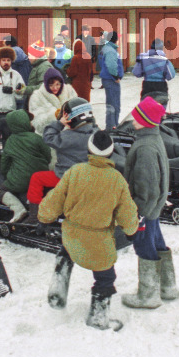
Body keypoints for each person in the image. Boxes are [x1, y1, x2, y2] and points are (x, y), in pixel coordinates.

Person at [39, 130, 139, 330]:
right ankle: (98, 316)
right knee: (105, 278)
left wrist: (44, 218)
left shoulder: (75, 171)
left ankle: (58, 287)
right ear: (111, 153)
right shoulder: (117, 180)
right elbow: (127, 213)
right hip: (98, 243)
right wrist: (131, 231)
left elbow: (55, 199)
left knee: (65, 253)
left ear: (89, 150)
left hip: (72, 235)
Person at [120, 96, 179, 310]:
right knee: (156, 242)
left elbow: (147, 186)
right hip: (154, 207)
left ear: (145, 120)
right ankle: (167, 286)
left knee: (144, 246)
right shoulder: (153, 138)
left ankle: (148, 295)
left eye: (136, 116)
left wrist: (138, 213)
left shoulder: (144, 147)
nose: (132, 119)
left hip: (145, 208)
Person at [27, 98, 98, 222]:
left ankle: (35, 214)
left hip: (66, 176)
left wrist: (59, 123)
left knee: (36, 178)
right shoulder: (96, 133)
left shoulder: (67, 136)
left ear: (71, 118)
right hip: (88, 176)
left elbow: (48, 137)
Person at [0, 110, 51, 222]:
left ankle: (18, 208)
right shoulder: (37, 138)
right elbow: (48, 156)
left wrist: (7, 175)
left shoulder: (10, 141)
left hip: (20, 180)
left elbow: (4, 163)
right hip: (41, 177)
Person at [28, 67, 77, 135]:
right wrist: (53, 115)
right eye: (51, 85)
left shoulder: (69, 91)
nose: (55, 88)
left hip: (69, 135)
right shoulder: (37, 97)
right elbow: (37, 124)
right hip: (49, 136)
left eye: (57, 84)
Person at [98, 31, 124, 130]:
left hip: (107, 79)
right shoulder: (111, 51)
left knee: (111, 104)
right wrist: (116, 77)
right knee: (114, 105)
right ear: (116, 39)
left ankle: (111, 125)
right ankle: (112, 126)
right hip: (111, 80)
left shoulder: (106, 48)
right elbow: (111, 66)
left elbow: (102, 63)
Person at [65, 38, 92, 102]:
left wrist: (67, 70)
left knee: (77, 102)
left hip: (77, 84)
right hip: (86, 83)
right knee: (85, 100)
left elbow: (72, 72)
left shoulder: (76, 57)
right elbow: (90, 71)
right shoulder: (88, 56)